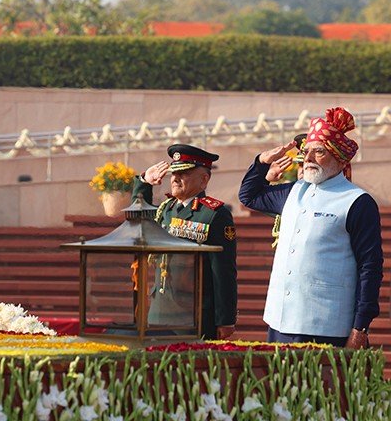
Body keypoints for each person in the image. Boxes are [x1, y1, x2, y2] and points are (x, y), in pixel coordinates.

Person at [238, 107, 383, 349]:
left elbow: (370, 267)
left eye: (319, 152)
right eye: (306, 152)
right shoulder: (294, 190)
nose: (308, 159)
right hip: (280, 319)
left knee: (325, 387)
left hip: (326, 324)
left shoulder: (357, 201)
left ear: (338, 157)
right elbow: (249, 196)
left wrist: (361, 327)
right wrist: (262, 163)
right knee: (283, 386)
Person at [132, 144, 238, 340]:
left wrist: (225, 319)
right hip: (160, 309)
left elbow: (223, 270)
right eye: (174, 173)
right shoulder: (166, 209)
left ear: (204, 179)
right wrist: (144, 182)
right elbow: (136, 220)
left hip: (193, 313)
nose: (175, 178)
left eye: (185, 173)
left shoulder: (214, 214)